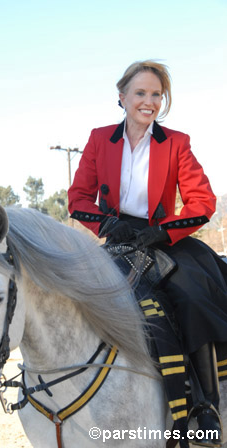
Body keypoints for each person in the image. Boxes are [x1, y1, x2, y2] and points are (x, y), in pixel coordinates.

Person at [68, 60, 227, 447]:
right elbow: (77, 198)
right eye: (141, 93)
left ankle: (206, 406)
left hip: (164, 237)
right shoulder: (98, 138)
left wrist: (164, 231)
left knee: (192, 295)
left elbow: (202, 202)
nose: (149, 101)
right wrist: (105, 225)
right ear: (121, 97)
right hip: (116, 233)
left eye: (157, 94)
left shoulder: (176, 142)